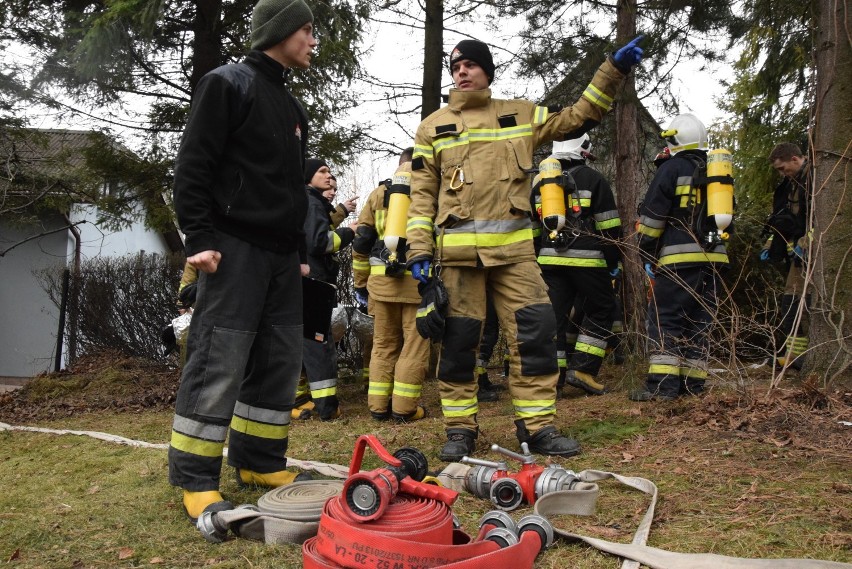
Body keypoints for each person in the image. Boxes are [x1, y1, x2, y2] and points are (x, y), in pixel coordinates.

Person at [405, 36, 643, 461]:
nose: (462, 71)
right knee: (460, 346)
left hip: (515, 257)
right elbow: (421, 196)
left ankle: (538, 428)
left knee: (534, 339)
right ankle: (459, 431)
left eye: (471, 64)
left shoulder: (520, 114)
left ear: (487, 71)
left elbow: (577, 117)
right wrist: (419, 251)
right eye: (456, 66)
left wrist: (612, 71)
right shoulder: (432, 127)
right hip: (459, 259)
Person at [168, 0, 316, 523]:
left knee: (278, 360)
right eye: (306, 30)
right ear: (279, 32)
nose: (312, 40)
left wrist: (299, 253)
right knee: (219, 359)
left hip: (281, 256)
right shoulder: (226, 84)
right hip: (233, 248)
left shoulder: (292, 107)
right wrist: (199, 237)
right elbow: (193, 165)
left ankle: (259, 462)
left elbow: (293, 192)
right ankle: (195, 478)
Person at [632, 113, 729, 402]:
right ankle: (693, 386)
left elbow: (652, 219)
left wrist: (645, 253)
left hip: (676, 261)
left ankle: (662, 387)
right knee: (700, 322)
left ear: (675, 140)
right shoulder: (717, 173)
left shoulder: (671, 167)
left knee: (666, 320)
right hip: (714, 262)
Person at [533, 134, 622, 398]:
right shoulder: (593, 179)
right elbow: (609, 226)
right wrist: (612, 261)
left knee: (554, 318)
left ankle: (553, 380)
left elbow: (532, 226)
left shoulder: (540, 181)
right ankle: (583, 369)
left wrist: (538, 257)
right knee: (602, 307)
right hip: (588, 260)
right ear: (583, 151)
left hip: (548, 260)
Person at [351, 148, 430, 422]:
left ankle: (377, 407)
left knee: (383, 345)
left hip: (381, 283)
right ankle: (404, 409)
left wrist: (361, 284)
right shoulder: (429, 190)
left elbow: (361, 243)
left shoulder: (377, 195)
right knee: (414, 345)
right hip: (418, 283)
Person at [300, 158, 356, 421]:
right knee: (318, 344)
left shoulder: (312, 203)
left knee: (306, 343)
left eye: (330, 172)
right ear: (308, 177)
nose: (329, 177)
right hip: (315, 284)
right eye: (322, 172)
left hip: (310, 282)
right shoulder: (311, 204)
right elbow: (320, 242)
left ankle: (308, 400)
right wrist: (349, 233)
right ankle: (327, 407)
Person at [760, 143, 812, 369]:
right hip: (797, 257)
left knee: (802, 306)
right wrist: (772, 243)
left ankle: (802, 359)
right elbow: (784, 219)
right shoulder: (791, 186)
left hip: (813, 256)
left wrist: (807, 242)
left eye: (783, 168)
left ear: (794, 159)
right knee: (790, 305)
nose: (782, 173)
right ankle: (794, 356)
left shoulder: (816, 179)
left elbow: (819, 218)